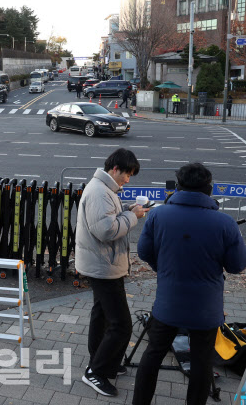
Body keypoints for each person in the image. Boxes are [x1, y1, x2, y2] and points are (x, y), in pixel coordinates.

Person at [133, 163, 246, 405]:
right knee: (202, 360)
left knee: (153, 353)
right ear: (209, 188)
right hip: (205, 308)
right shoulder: (225, 223)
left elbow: (144, 252)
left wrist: (163, 269)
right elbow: (237, 265)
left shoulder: (157, 215)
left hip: (168, 302)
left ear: (178, 186)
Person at [76, 148, 148, 397]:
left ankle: (102, 361)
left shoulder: (106, 190)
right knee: (121, 325)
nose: (128, 179)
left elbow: (107, 219)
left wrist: (126, 209)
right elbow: (106, 231)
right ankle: (95, 372)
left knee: (102, 315)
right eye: (127, 174)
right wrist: (133, 215)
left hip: (102, 263)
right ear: (114, 169)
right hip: (103, 266)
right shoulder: (99, 192)